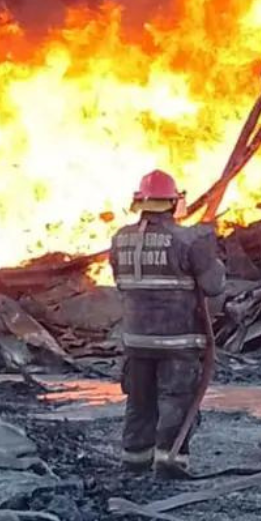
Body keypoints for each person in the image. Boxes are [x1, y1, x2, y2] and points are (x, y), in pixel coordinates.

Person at [109, 169, 225, 476]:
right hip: (178, 340)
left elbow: (121, 283)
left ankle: (134, 461)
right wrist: (210, 256)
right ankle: (169, 462)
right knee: (176, 400)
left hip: (135, 339)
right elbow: (214, 286)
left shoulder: (120, 239)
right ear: (174, 203)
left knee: (139, 401)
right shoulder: (187, 240)